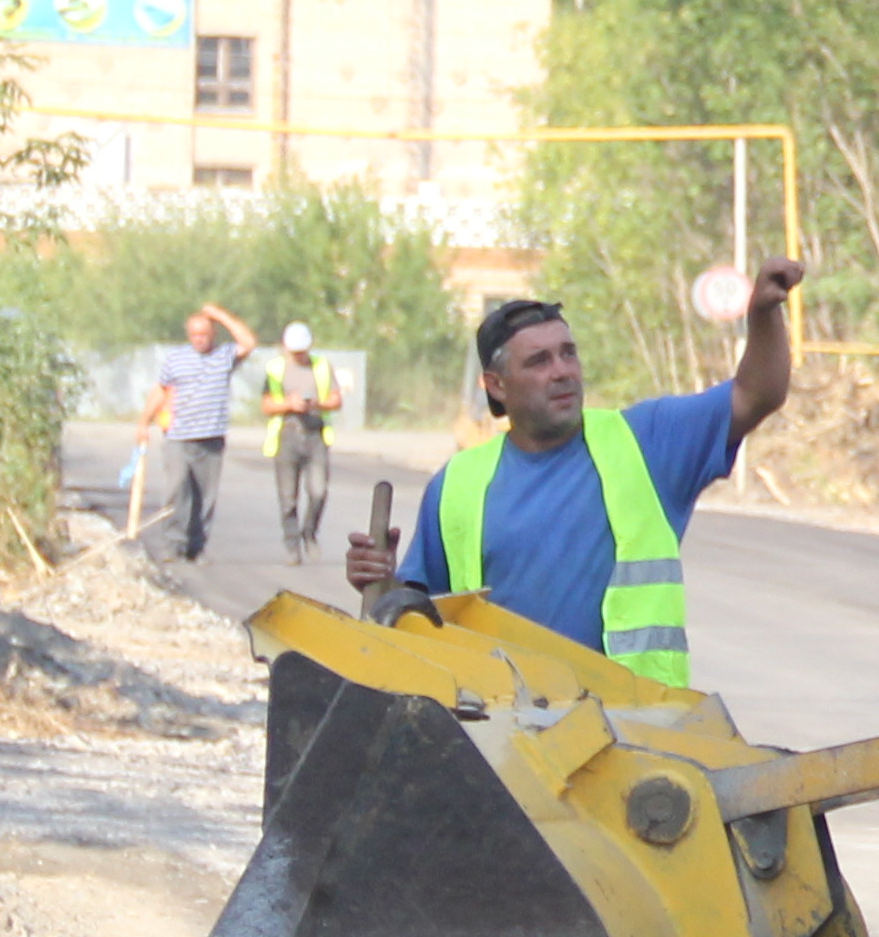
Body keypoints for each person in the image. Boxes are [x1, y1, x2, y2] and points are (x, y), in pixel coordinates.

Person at [347, 264, 800, 681]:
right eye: (539, 361)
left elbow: (756, 393)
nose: (562, 371)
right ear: (496, 385)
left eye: (568, 354)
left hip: (638, 728)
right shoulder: (458, 483)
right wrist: (382, 579)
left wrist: (762, 313)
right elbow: (417, 622)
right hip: (506, 733)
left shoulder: (648, 441)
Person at [134, 306, 261, 563]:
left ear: (213, 333)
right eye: (194, 335)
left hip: (211, 437)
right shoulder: (176, 359)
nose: (199, 339)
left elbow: (248, 342)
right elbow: (160, 390)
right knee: (176, 488)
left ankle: (196, 547)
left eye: (204, 334)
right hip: (179, 436)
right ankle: (172, 544)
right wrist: (143, 422)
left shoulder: (224, 355)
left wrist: (220, 315)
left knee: (205, 496)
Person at [260, 320, 343, 563]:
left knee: (319, 492)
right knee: (288, 498)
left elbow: (337, 400)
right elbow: (266, 404)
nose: (298, 355)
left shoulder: (322, 367)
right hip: (287, 434)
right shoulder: (275, 369)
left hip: (315, 434)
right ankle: (292, 546)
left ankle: (309, 532)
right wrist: (289, 404)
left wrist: (316, 403)